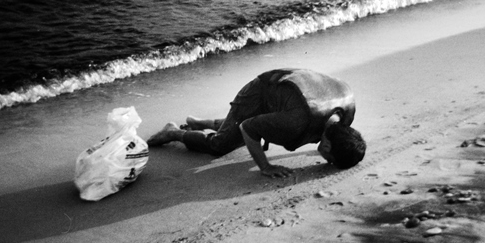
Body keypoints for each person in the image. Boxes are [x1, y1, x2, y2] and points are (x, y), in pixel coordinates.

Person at [147, 68, 366, 178]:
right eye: (329, 160)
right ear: (327, 147)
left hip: (283, 92)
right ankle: (173, 132)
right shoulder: (296, 121)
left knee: (259, 125)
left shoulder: (344, 116)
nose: (325, 161)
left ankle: (198, 122)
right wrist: (265, 166)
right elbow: (248, 127)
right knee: (220, 146)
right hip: (259, 92)